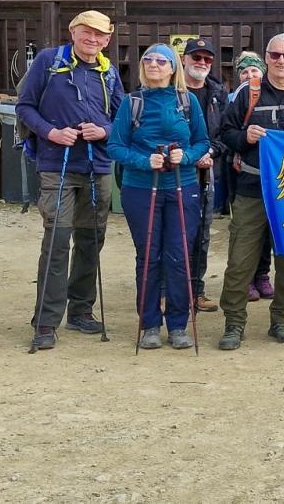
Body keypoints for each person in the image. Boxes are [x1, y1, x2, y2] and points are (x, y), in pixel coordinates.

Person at [14, 10, 124, 349]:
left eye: (100, 35)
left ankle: (80, 311)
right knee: (58, 240)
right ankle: (46, 322)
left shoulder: (109, 73)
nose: (93, 39)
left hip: (98, 167)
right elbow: (24, 107)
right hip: (56, 164)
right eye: (87, 32)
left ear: (107, 39)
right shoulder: (49, 61)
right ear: (73, 32)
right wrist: (51, 132)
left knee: (92, 240)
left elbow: (121, 119)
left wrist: (104, 130)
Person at [215, 33, 284, 349]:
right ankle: (234, 324)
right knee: (239, 262)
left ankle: (282, 320)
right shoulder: (246, 95)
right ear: (266, 57)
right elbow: (224, 134)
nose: (281, 61)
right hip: (251, 189)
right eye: (275, 55)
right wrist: (244, 137)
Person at [107, 44, 210, 351]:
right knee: (149, 256)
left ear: (172, 67)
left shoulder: (187, 101)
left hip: (182, 184)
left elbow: (203, 141)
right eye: (148, 59)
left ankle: (178, 324)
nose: (153, 64)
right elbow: (115, 146)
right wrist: (143, 161)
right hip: (141, 187)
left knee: (179, 256)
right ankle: (149, 323)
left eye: (160, 60)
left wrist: (186, 155)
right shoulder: (132, 102)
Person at [180, 38, 225, 314]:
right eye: (196, 57)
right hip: (176, 173)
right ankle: (168, 291)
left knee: (202, 236)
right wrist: (189, 155)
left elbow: (225, 134)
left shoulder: (218, 94)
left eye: (207, 59)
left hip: (207, 172)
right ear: (184, 59)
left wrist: (210, 151)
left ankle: (196, 291)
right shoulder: (170, 91)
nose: (202, 63)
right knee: (175, 234)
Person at [225, 52, 274, 300]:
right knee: (245, 229)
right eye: (244, 72)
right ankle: (246, 279)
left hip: (272, 177)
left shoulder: (265, 95)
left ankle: (262, 274)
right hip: (242, 172)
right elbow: (225, 132)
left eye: (254, 71)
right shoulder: (235, 99)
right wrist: (244, 139)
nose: (249, 75)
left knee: (268, 233)